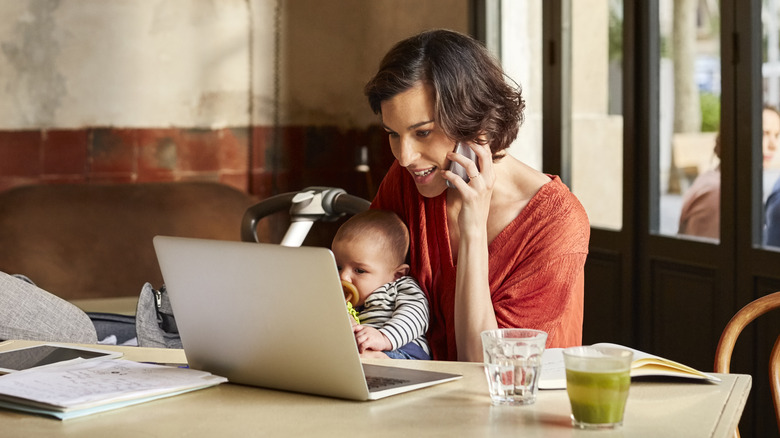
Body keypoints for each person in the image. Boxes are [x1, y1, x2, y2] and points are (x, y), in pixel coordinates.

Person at [364, 29, 590, 362]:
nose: (405, 157)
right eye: (393, 135)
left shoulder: (556, 222)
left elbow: (486, 368)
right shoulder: (406, 180)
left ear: (476, 123)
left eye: (423, 132)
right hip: (419, 402)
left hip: (516, 409)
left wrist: (472, 230)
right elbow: (362, 296)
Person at [332, 209, 431, 360]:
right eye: (338, 267)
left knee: (362, 359)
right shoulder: (338, 297)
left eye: (359, 270)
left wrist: (384, 337)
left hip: (402, 352)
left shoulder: (399, 287)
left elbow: (416, 315)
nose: (343, 277)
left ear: (396, 275)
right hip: (360, 352)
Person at [679, 104, 780, 239]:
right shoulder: (720, 193)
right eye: (763, 134)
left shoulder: (730, 183)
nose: (773, 145)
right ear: (740, 134)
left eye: (777, 135)